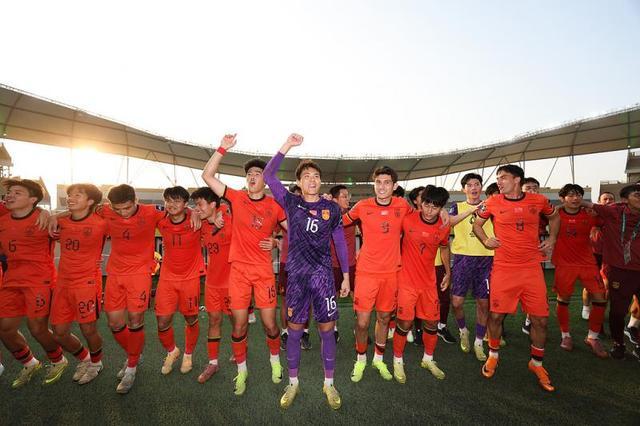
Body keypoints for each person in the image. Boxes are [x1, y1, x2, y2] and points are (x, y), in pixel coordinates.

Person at [264, 133, 350, 410]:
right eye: (306, 176)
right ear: (299, 183)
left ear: (320, 181)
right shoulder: (291, 202)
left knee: (327, 330)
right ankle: (293, 383)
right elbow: (268, 175)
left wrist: (346, 276)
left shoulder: (331, 208)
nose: (312, 180)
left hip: (323, 277)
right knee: (294, 331)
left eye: (316, 176)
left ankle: (329, 383)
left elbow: (339, 242)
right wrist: (287, 146)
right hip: (298, 278)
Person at [202, 134, 286, 396]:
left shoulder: (275, 206)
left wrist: (277, 242)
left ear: (266, 179)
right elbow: (207, 176)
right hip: (238, 272)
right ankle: (242, 370)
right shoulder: (237, 198)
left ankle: (275, 361)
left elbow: (293, 234)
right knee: (238, 325)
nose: (252, 176)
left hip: (263, 272)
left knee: (270, 324)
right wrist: (222, 148)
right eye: (249, 173)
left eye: (258, 173)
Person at [473, 165, 559, 392]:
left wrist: (552, 238)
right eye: (498, 178)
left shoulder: (538, 200)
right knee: (495, 316)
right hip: (504, 268)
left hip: (531, 269)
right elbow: (477, 224)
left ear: (517, 179)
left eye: (503, 177)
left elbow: (555, 216)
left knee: (540, 320)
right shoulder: (492, 202)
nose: (499, 182)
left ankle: (536, 363)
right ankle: (493, 355)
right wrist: (485, 240)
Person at [343, 166, 412, 382]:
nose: (382, 187)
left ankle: (379, 359)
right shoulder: (362, 206)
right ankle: (361, 359)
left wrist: (444, 212)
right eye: (378, 182)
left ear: (395, 186)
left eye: (387, 182)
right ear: (374, 184)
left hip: (391, 273)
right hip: (366, 273)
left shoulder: (402, 205)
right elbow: (339, 221)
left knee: (384, 318)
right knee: (362, 323)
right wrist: (326, 206)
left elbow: (420, 218)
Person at [99, 184, 168, 393]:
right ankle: (135, 354)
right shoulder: (105, 211)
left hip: (139, 274)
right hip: (115, 274)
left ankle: (131, 367)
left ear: (136, 200)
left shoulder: (151, 212)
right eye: (117, 209)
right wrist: (50, 216)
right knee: (114, 323)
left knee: (135, 320)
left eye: (127, 208)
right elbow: (82, 212)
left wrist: (195, 214)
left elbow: (178, 211)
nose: (122, 213)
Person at [0, 179, 65, 388]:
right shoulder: (3, 219)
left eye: (17, 193)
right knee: (5, 329)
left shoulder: (44, 220)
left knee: (37, 328)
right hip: (11, 279)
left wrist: (54, 215)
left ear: (33, 199)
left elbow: (84, 213)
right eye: (9, 192)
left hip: (39, 280)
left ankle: (58, 360)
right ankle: (30, 363)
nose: (9, 195)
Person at [392, 186, 451, 383]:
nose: (429, 210)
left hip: (428, 283)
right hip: (406, 281)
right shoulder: (407, 218)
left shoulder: (444, 226)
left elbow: (444, 248)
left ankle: (428, 359)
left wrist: (448, 272)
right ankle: (397, 360)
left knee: (432, 323)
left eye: (435, 207)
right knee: (404, 323)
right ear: (420, 202)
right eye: (426, 205)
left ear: (441, 207)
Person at [50, 184, 108, 385]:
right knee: (59, 333)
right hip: (63, 283)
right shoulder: (60, 221)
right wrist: (53, 216)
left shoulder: (101, 222)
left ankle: (96, 363)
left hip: (87, 283)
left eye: (77, 195)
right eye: (69, 195)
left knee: (88, 329)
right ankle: (84, 358)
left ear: (90, 201)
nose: (70, 198)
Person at [581, 183, 640, 361]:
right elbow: (582, 203)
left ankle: (634, 335)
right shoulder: (614, 211)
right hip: (620, 270)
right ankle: (618, 343)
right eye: (637, 195)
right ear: (625, 199)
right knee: (617, 312)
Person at [549, 184, 607, 358]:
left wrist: (591, 206)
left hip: (588, 263)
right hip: (564, 264)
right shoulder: (555, 214)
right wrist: (557, 208)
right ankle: (565, 335)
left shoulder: (589, 214)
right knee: (563, 299)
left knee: (600, 298)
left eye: (578, 195)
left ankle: (592, 337)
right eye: (571, 195)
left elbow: (608, 216)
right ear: (562, 198)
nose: (575, 198)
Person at [154, 186, 205, 376]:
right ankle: (172, 351)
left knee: (190, 319)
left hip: (190, 279)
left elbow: (217, 210)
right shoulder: (161, 220)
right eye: (168, 200)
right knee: (162, 322)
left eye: (177, 201)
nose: (172, 204)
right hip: (167, 279)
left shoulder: (196, 220)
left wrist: (196, 213)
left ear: (185, 204)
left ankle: (188, 355)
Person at [448, 173, 493, 361]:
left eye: (477, 184)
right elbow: (449, 222)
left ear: (481, 187)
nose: (474, 188)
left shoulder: (491, 206)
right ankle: (463, 331)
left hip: (486, 259)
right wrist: (472, 210)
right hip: (463, 259)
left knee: (484, 303)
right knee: (457, 302)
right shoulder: (456, 207)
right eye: (469, 185)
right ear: (463, 189)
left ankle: (479, 342)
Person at [190, 187, 233, 383]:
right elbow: (177, 210)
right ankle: (213, 363)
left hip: (233, 283)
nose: (197, 208)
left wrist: (223, 210)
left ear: (213, 204)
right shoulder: (201, 224)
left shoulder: (230, 219)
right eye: (195, 205)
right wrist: (193, 213)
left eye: (200, 204)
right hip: (212, 283)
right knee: (214, 320)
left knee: (236, 322)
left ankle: (240, 349)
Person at [329, 184, 357, 343]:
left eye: (348, 196)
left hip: (351, 264)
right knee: (332, 297)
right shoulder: (326, 214)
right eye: (344, 196)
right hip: (332, 264)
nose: (348, 199)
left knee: (357, 297)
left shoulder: (354, 215)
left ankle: (359, 327)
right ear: (335, 199)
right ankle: (333, 329)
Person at [583, 191, 615, 320]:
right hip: (593, 253)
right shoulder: (592, 213)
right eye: (605, 199)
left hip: (610, 254)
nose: (608, 201)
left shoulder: (617, 215)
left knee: (607, 285)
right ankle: (586, 307)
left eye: (611, 199)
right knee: (590, 284)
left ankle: (601, 310)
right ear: (599, 201)